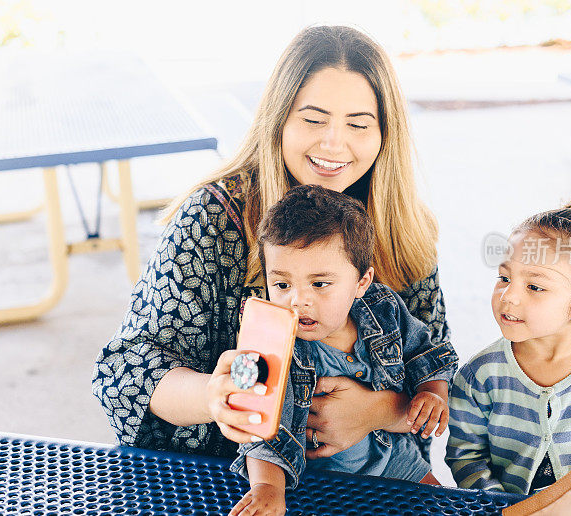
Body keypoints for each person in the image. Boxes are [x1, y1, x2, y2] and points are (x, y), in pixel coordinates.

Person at [92, 25, 457, 461]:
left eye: (358, 124)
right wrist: (213, 395)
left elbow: (436, 367)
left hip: (371, 481)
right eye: (313, 119)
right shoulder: (210, 217)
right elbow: (126, 371)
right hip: (220, 480)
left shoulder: (404, 228)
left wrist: (379, 410)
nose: (333, 143)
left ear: (384, 133)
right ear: (279, 119)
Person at [229, 185, 451, 516]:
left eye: (319, 284)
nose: (298, 299)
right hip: (316, 483)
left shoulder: (384, 309)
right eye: (282, 284)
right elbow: (260, 427)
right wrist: (267, 488)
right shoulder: (274, 342)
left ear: (362, 283)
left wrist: (433, 394)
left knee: (444, 507)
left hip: (397, 461)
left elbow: (424, 354)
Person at [445, 196, 571, 495]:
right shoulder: (479, 376)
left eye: (535, 286)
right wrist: (506, 507)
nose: (508, 296)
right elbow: (466, 456)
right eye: (504, 278)